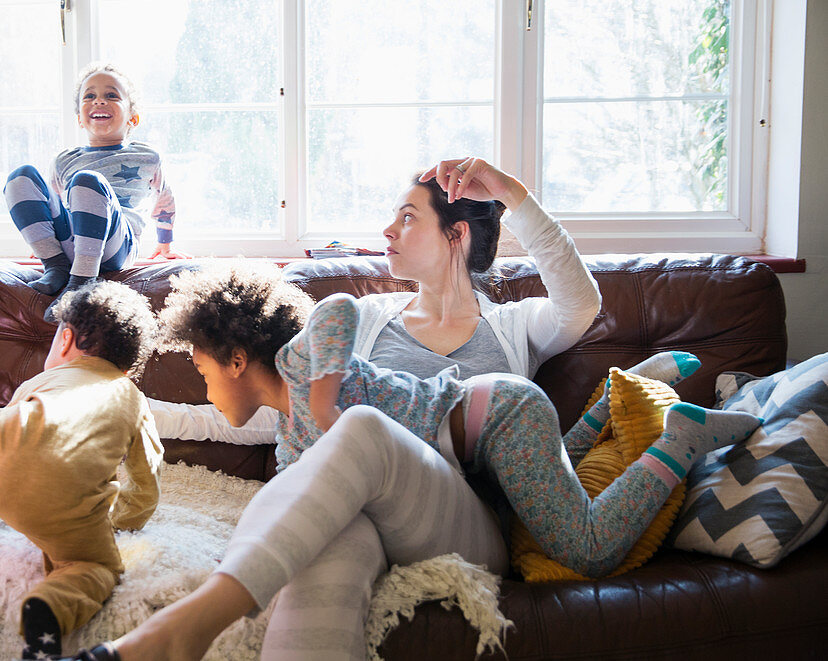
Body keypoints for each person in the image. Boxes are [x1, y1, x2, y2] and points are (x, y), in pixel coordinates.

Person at [74, 158, 748, 661]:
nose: (386, 230)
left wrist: (512, 195)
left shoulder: (512, 329)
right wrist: (103, 394)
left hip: (470, 505)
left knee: (365, 430)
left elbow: (580, 305)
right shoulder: (367, 319)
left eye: (407, 217)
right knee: (328, 548)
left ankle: (186, 625)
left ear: (455, 233)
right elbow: (244, 403)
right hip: (386, 502)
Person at [0, 280, 163, 659]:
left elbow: (15, 441)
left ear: (66, 339)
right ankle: (49, 607)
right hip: (65, 487)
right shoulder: (131, 397)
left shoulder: (42, 381)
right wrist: (126, 520)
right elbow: (145, 473)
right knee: (95, 566)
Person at [4, 62, 186, 316]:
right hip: (74, 242)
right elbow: (53, 203)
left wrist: (165, 243)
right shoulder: (64, 160)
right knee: (20, 177)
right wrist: (44, 242)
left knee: (86, 181)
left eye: (111, 95)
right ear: (80, 117)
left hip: (116, 244)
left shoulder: (147, 157)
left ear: (133, 117)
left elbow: (164, 199)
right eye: (89, 96)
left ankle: (81, 282)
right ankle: (55, 266)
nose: (99, 101)